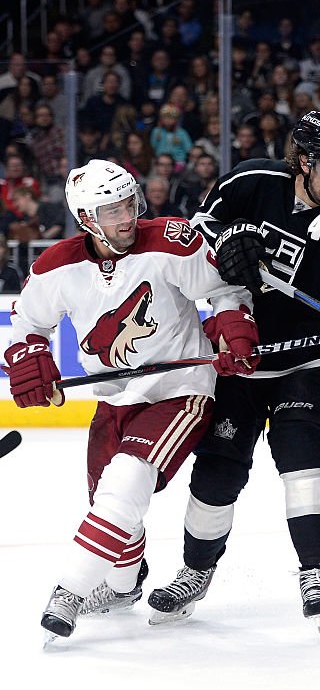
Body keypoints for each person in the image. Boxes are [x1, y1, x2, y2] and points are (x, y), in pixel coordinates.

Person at [146, 111, 320, 630]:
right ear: (303, 161)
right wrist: (227, 240)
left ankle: (316, 571)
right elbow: (194, 232)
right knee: (217, 469)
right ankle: (196, 571)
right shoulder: (251, 181)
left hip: (309, 359)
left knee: (302, 458)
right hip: (242, 353)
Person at [3, 160, 257, 640]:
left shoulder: (170, 241)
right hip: (112, 398)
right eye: (111, 209)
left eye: (128, 203)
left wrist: (231, 326)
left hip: (178, 391)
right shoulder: (57, 265)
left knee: (124, 485)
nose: (126, 216)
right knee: (109, 504)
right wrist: (31, 355)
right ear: (86, 218)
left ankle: (68, 591)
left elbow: (227, 288)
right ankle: (122, 586)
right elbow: (28, 323)